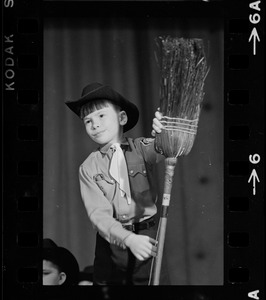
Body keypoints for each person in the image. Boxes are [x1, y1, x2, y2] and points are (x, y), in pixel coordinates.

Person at [65, 82, 164, 285]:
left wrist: (163, 132)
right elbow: (98, 215)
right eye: (87, 121)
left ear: (122, 118)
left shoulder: (142, 148)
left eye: (101, 115)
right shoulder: (89, 167)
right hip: (111, 239)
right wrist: (127, 239)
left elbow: (167, 149)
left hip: (147, 234)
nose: (95, 124)